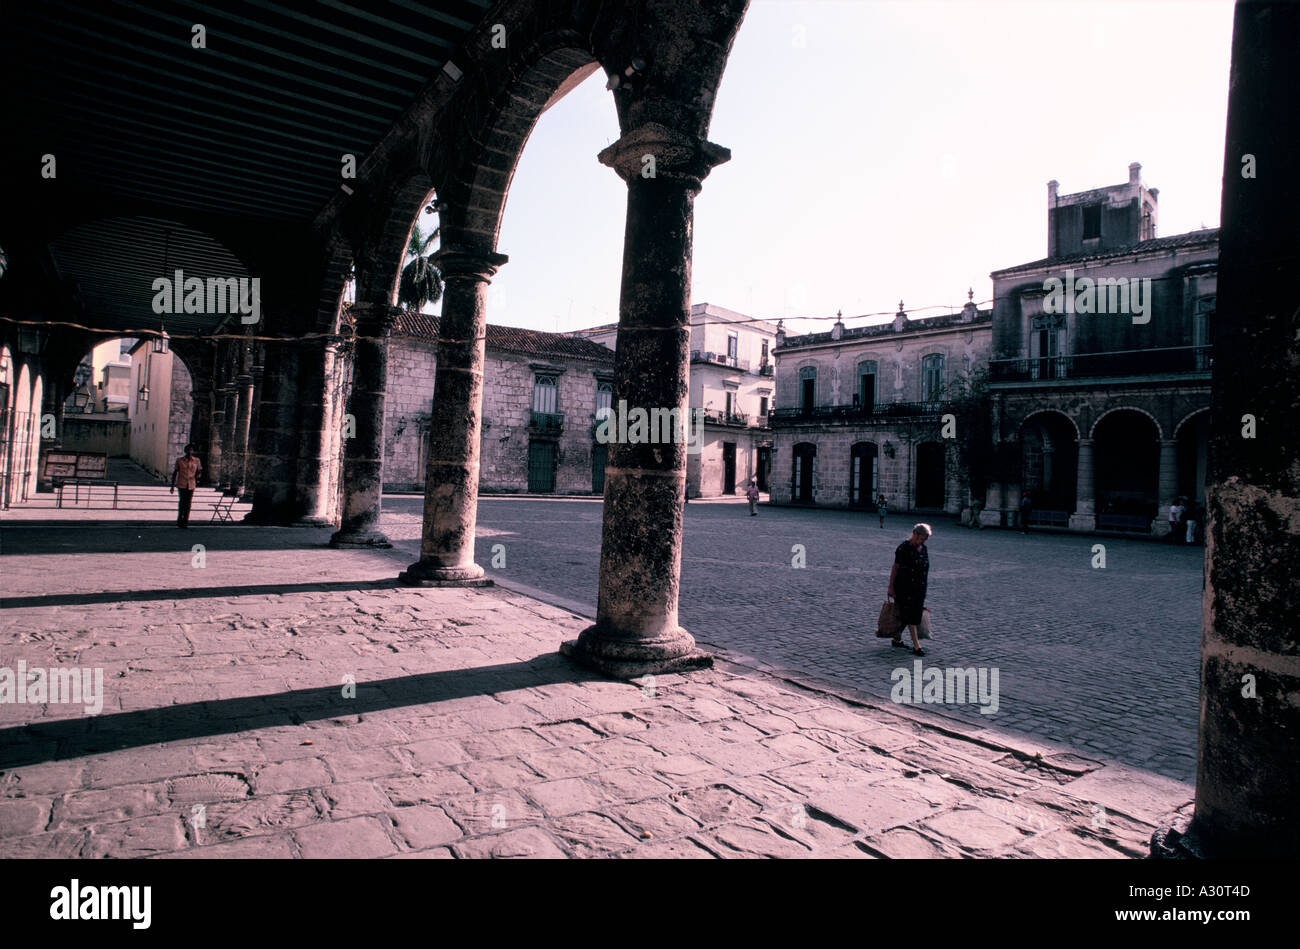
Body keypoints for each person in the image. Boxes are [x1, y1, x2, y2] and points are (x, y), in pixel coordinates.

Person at [887, 523, 932, 657]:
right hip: (904, 586)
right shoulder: (903, 548)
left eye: (925, 539)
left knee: (909, 614)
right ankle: (916, 645)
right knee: (911, 615)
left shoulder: (923, 548)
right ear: (915, 534)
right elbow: (895, 567)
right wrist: (891, 587)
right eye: (922, 538)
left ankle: (896, 639)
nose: (923, 542)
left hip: (919, 587)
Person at [170, 443, 202, 528]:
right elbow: (175, 472)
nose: (189, 452)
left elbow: (199, 471)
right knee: (182, 502)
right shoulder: (180, 460)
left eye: (191, 450)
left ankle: (185, 521)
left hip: (191, 484)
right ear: (185, 451)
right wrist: (172, 486)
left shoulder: (196, 461)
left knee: (188, 503)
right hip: (182, 483)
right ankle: (180, 520)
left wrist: (197, 478)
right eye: (188, 450)